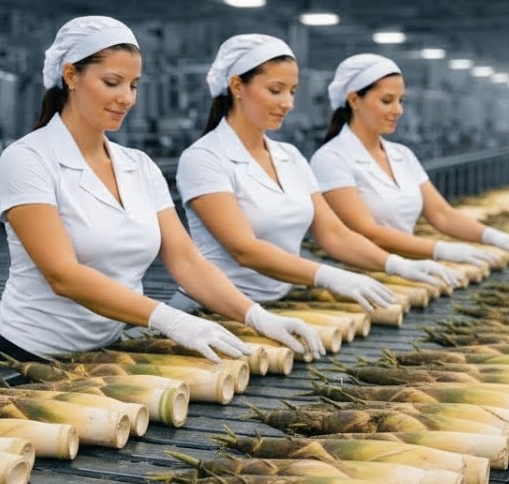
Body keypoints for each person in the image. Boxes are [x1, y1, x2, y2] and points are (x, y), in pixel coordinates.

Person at [0, 16, 325, 371]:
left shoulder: (138, 166)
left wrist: (257, 317)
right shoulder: (28, 159)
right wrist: (169, 319)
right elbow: (62, 274)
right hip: (23, 356)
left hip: (102, 355)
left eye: (134, 85)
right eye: (112, 82)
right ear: (71, 76)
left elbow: (187, 263)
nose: (126, 98)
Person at [175, 34, 465, 313]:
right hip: (213, 309)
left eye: (292, 92)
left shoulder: (290, 157)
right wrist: (330, 276)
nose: (288, 103)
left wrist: (397, 265)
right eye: (275, 90)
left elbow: (333, 233)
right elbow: (244, 249)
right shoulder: (204, 158)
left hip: (279, 302)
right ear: (237, 86)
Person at [310, 53, 509, 268]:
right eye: (387, 100)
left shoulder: (402, 155)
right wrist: (440, 249)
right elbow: (368, 232)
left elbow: (442, 214)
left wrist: (494, 236)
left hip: (407, 271)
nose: (398, 110)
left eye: (401, 100)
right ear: (354, 100)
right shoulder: (331, 159)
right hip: (357, 276)